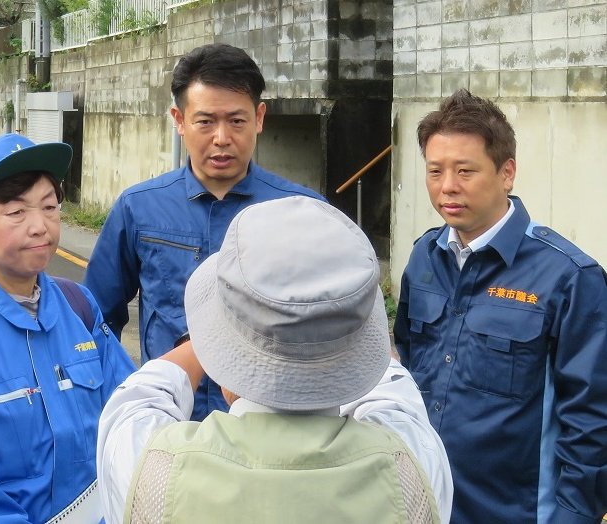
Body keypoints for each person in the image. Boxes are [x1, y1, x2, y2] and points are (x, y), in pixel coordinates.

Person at [97, 196, 454, 523]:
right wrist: (342, 330)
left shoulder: (154, 472)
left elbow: (137, 400)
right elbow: (393, 393)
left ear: (225, 366)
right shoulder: (411, 471)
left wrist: (212, 337)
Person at [394, 89, 607, 523]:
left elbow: (591, 420)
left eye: (465, 171)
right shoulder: (423, 258)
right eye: (435, 171)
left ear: (507, 173)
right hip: (422, 503)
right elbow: (406, 375)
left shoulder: (569, 277)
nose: (447, 186)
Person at [84, 43, 324, 420]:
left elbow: (332, 325)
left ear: (259, 118)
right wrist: (129, 401)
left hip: (271, 429)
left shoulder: (302, 212)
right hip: (172, 427)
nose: (222, 138)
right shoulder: (138, 208)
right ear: (179, 120)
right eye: (206, 121)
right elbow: (97, 320)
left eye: (237, 121)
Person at [0, 133, 137, 522]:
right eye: (16, 211)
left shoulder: (80, 307)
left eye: (49, 207)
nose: (40, 226)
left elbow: (127, 413)